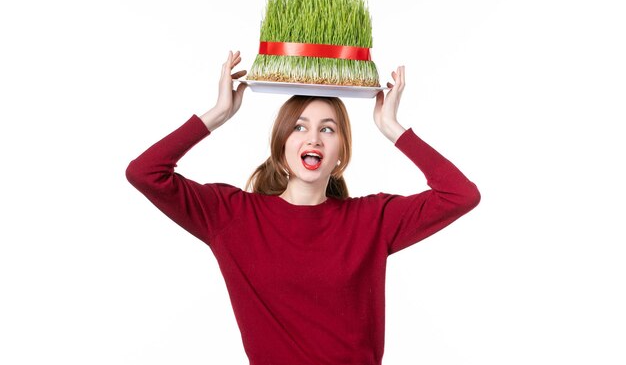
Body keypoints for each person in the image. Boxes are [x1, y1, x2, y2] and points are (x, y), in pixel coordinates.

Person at [126, 50, 480, 365]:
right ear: (281, 145)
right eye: (299, 127)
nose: (313, 138)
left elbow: (460, 195)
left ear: (341, 151)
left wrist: (392, 128)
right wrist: (218, 114)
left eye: (328, 129)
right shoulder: (233, 217)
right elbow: (145, 173)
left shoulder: (372, 220)